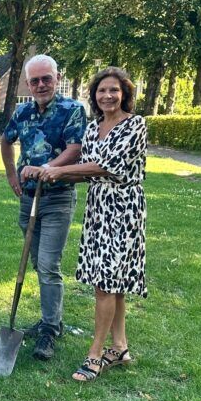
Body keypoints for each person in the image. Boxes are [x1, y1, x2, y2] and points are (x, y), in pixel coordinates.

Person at [39, 67, 146, 382]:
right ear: (94, 96)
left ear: (125, 93)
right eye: (102, 91)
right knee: (114, 284)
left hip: (124, 209)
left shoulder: (135, 125)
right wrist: (49, 168)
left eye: (114, 90)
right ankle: (120, 346)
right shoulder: (92, 127)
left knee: (107, 284)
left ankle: (96, 354)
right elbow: (86, 171)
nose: (108, 96)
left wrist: (58, 171)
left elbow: (106, 166)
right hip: (98, 208)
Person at [1, 54, 87, 361]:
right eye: (34, 80)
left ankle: (51, 328)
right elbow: (7, 141)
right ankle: (50, 318)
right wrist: (12, 174)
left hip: (58, 198)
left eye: (46, 79)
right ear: (27, 82)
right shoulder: (22, 111)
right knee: (36, 262)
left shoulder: (72, 110)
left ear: (57, 77)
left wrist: (47, 168)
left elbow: (75, 149)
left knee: (49, 265)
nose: (40, 85)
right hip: (28, 198)